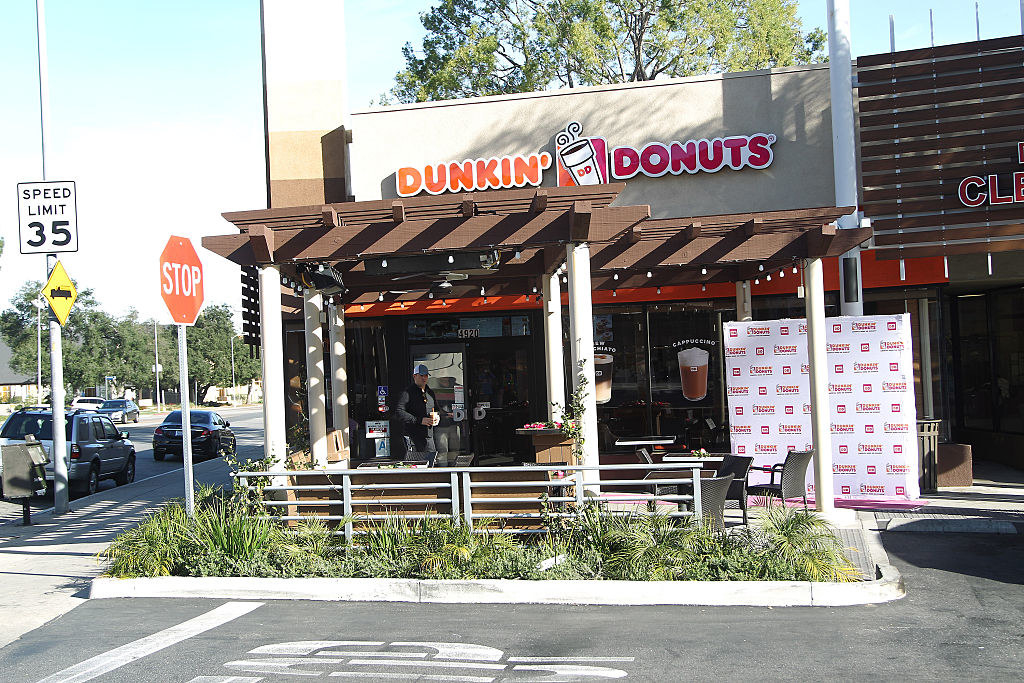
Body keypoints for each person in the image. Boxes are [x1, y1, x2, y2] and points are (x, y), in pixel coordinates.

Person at [395, 363, 439, 466]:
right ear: (415, 376)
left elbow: (436, 409)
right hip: (413, 436)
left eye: (426, 375)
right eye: (421, 375)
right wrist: (419, 420)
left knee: (431, 463)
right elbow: (399, 411)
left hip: (428, 436)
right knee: (415, 464)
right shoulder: (407, 392)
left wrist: (437, 416)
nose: (424, 378)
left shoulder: (430, 392)